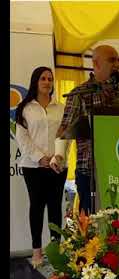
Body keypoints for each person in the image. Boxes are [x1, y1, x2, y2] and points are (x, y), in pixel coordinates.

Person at [55, 45, 119, 214]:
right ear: (97, 64)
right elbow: (65, 128)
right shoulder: (80, 93)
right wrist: (59, 156)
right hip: (89, 170)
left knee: (118, 224)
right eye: (112, 60)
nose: (117, 64)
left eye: (118, 60)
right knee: (91, 225)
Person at [15, 66, 68, 267]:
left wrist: (59, 157)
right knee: (37, 208)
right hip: (33, 167)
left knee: (55, 207)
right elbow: (23, 138)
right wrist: (40, 158)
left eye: (50, 79)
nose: (47, 82)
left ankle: (55, 250)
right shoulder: (25, 108)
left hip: (57, 167)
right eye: (43, 78)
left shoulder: (61, 108)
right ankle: (37, 252)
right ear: (35, 81)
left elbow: (65, 135)